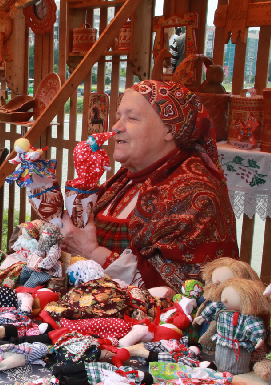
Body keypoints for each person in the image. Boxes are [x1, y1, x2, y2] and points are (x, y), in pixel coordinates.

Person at [61, 80, 239, 290]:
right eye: (118, 117)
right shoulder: (123, 179)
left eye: (132, 118)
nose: (116, 127)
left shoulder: (196, 194)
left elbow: (183, 287)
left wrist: (91, 253)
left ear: (170, 130)